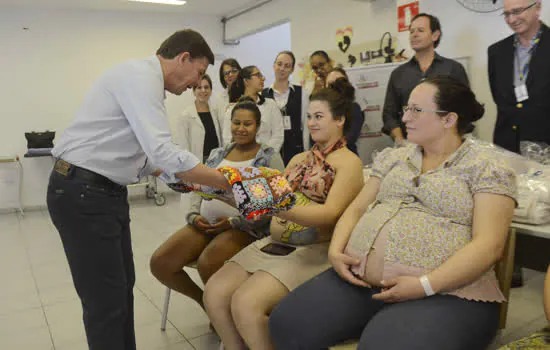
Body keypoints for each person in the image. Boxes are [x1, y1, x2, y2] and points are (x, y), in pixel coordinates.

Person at [269, 77, 517, 350]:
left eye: (416, 110)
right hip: (361, 279)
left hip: (447, 293)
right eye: (406, 109)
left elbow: (489, 245)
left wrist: (424, 285)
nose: (405, 118)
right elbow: (358, 208)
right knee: (288, 322)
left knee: (385, 345)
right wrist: (336, 251)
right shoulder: (395, 157)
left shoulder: (485, 167)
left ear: (448, 119)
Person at [46, 29, 229, 350]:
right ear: (183, 58)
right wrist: (227, 180)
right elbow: (163, 151)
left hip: (102, 193)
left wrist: (185, 179)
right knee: (106, 301)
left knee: (120, 289)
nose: (193, 86)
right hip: (83, 194)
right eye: (197, 74)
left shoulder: (146, 85)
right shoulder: (140, 78)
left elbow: (143, 157)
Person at [203, 79, 364, 350]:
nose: (312, 123)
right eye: (309, 116)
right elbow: (267, 212)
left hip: (315, 250)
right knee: (215, 292)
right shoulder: (298, 160)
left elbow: (329, 214)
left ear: (340, 120)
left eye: (319, 117)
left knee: (245, 303)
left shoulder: (349, 163)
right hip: (274, 243)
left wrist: (277, 206)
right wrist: (236, 198)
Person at [150, 98, 284, 311]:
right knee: (161, 262)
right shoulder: (218, 154)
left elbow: (272, 206)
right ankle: (207, 304)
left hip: (246, 229)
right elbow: (198, 185)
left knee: (208, 263)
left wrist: (233, 222)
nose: (240, 129)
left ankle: (224, 313)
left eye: (247, 124)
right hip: (205, 223)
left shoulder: (269, 157)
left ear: (258, 126)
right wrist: (193, 215)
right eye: (236, 123)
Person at [488, 0, 549, 287]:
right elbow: (502, 99)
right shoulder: (496, 52)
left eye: (519, 11)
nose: (512, 19)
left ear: (537, 8)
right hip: (507, 140)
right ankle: (512, 265)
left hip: (546, 137)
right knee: (509, 203)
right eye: (507, 13)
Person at [381, 13, 469, 146]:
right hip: (410, 147)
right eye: (411, 31)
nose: (414, 35)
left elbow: (465, 109)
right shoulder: (398, 74)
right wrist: (400, 141)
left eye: (420, 30)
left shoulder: (453, 69)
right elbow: (389, 114)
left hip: (447, 146)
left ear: (435, 35)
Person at [222, 66, 284, 152]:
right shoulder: (232, 109)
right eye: (258, 75)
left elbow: (278, 135)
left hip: (267, 157)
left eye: (262, 75)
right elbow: (227, 139)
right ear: (246, 81)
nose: (262, 79)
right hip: (241, 158)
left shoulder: (271, 105)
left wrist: (264, 154)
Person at [262, 51, 308, 164]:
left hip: (296, 152)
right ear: (274, 66)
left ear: (292, 70)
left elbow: (306, 126)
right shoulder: (263, 94)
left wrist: (307, 153)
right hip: (271, 152)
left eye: (287, 66)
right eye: (279, 64)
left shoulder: (301, 92)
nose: (282, 68)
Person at [174, 74, 221, 162]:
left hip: (216, 159)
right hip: (197, 161)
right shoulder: (186, 115)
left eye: (206, 87)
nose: (203, 90)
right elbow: (183, 146)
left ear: (211, 90)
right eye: (199, 87)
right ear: (194, 91)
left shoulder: (215, 111)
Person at [325, 68, 365, 155]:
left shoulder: (354, 108)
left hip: (348, 156)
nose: (335, 86)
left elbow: (350, 138)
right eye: (331, 84)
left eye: (339, 82)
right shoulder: (321, 110)